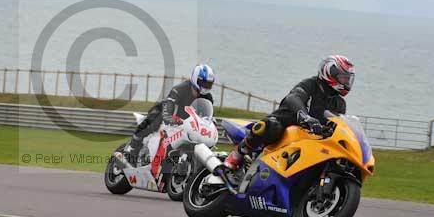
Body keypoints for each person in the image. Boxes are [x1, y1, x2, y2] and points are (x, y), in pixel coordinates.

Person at [217, 55, 355, 177]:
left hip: (309, 137)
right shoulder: (311, 84)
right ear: (329, 73)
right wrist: (304, 116)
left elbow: (337, 124)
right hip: (286, 122)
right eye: (343, 77)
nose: (346, 82)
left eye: (348, 79)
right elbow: (293, 98)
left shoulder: (339, 103)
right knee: (271, 127)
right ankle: (236, 156)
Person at [124, 64, 215, 161]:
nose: (205, 87)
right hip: (169, 116)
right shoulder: (180, 89)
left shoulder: (208, 97)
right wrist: (170, 117)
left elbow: (206, 115)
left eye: (208, 84)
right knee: (154, 119)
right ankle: (132, 149)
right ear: (195, 79)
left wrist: (211, 123)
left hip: (187, 126)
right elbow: (167, 108)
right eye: (203, 83)